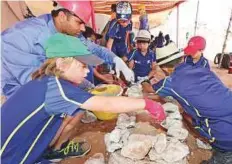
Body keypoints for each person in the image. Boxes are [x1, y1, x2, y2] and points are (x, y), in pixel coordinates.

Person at [1, 33, 166, 164]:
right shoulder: (58, 89)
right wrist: (147, 103)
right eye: (83, 65)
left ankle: (49, 151)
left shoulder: (46, 79)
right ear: (61, 64)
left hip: (12, 145)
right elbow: (107, 103)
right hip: (11, 156)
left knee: (76, 110)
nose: (87, 71)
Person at [1, 1, 134, 99]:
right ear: (62, 16)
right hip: (9, 93)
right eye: (79, 22)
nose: (83, 29)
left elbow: (94, 49)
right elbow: (37, 83)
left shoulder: (68, 32)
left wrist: (115, 60)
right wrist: (86, 89)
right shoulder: (23, 36)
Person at [143, 37, 232, 164]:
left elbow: (149, 89)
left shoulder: (172, 82)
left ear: (164, 68)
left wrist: (144, 80)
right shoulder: (203, 67)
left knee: (223, 154)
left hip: (225, 136)